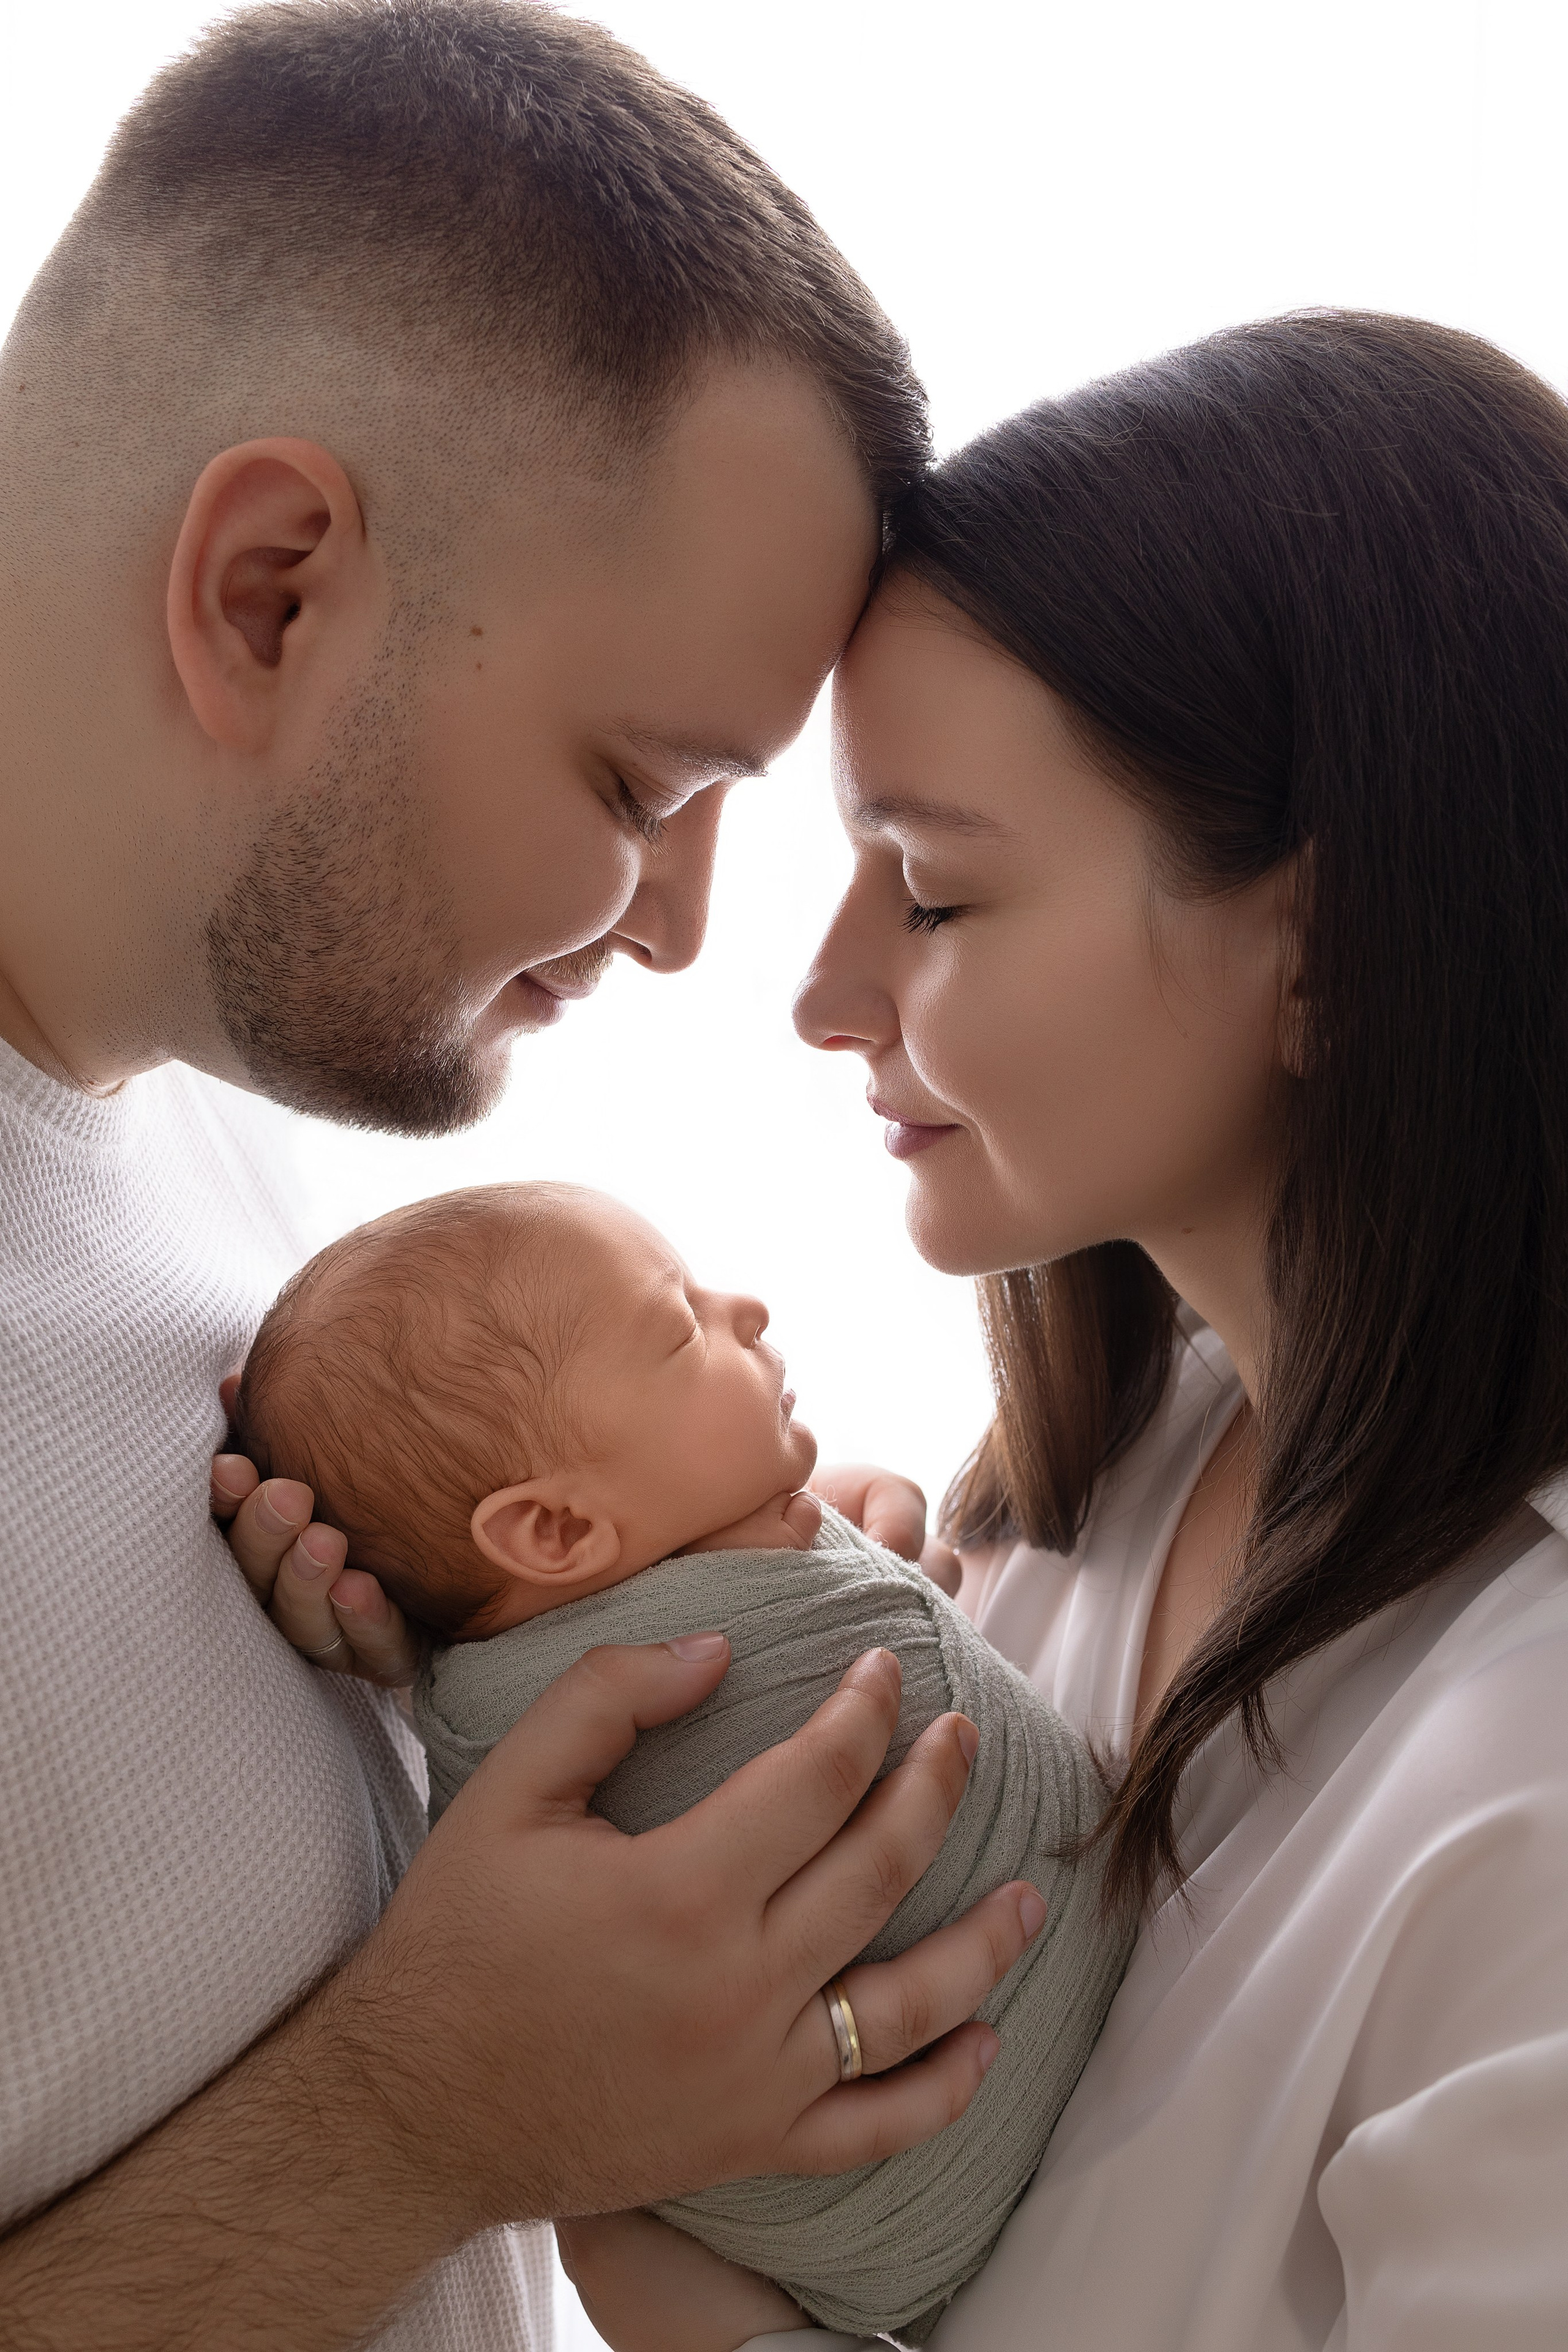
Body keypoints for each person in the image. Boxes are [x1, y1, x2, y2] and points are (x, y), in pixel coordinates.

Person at [0, 6, 1044, 2346]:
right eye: (643, 779)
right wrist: (414, 2122)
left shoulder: (251, 1144)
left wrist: (453, 1696)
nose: (682, 928)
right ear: (271, 587)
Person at [556, 311, 1568, 2348]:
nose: (823, 997)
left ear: (1333, 944)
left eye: (929, 897)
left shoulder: (1531, 1798)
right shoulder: (1120, 1465)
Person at [228, 1178, 1120, 2342]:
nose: (743, 1309)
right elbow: (777, 1697)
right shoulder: (609, 1719)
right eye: (679, 1324)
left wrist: (830, 1541)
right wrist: (831, 1567)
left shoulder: (597, 1624)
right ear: (555, 1533)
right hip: (976, 2168)